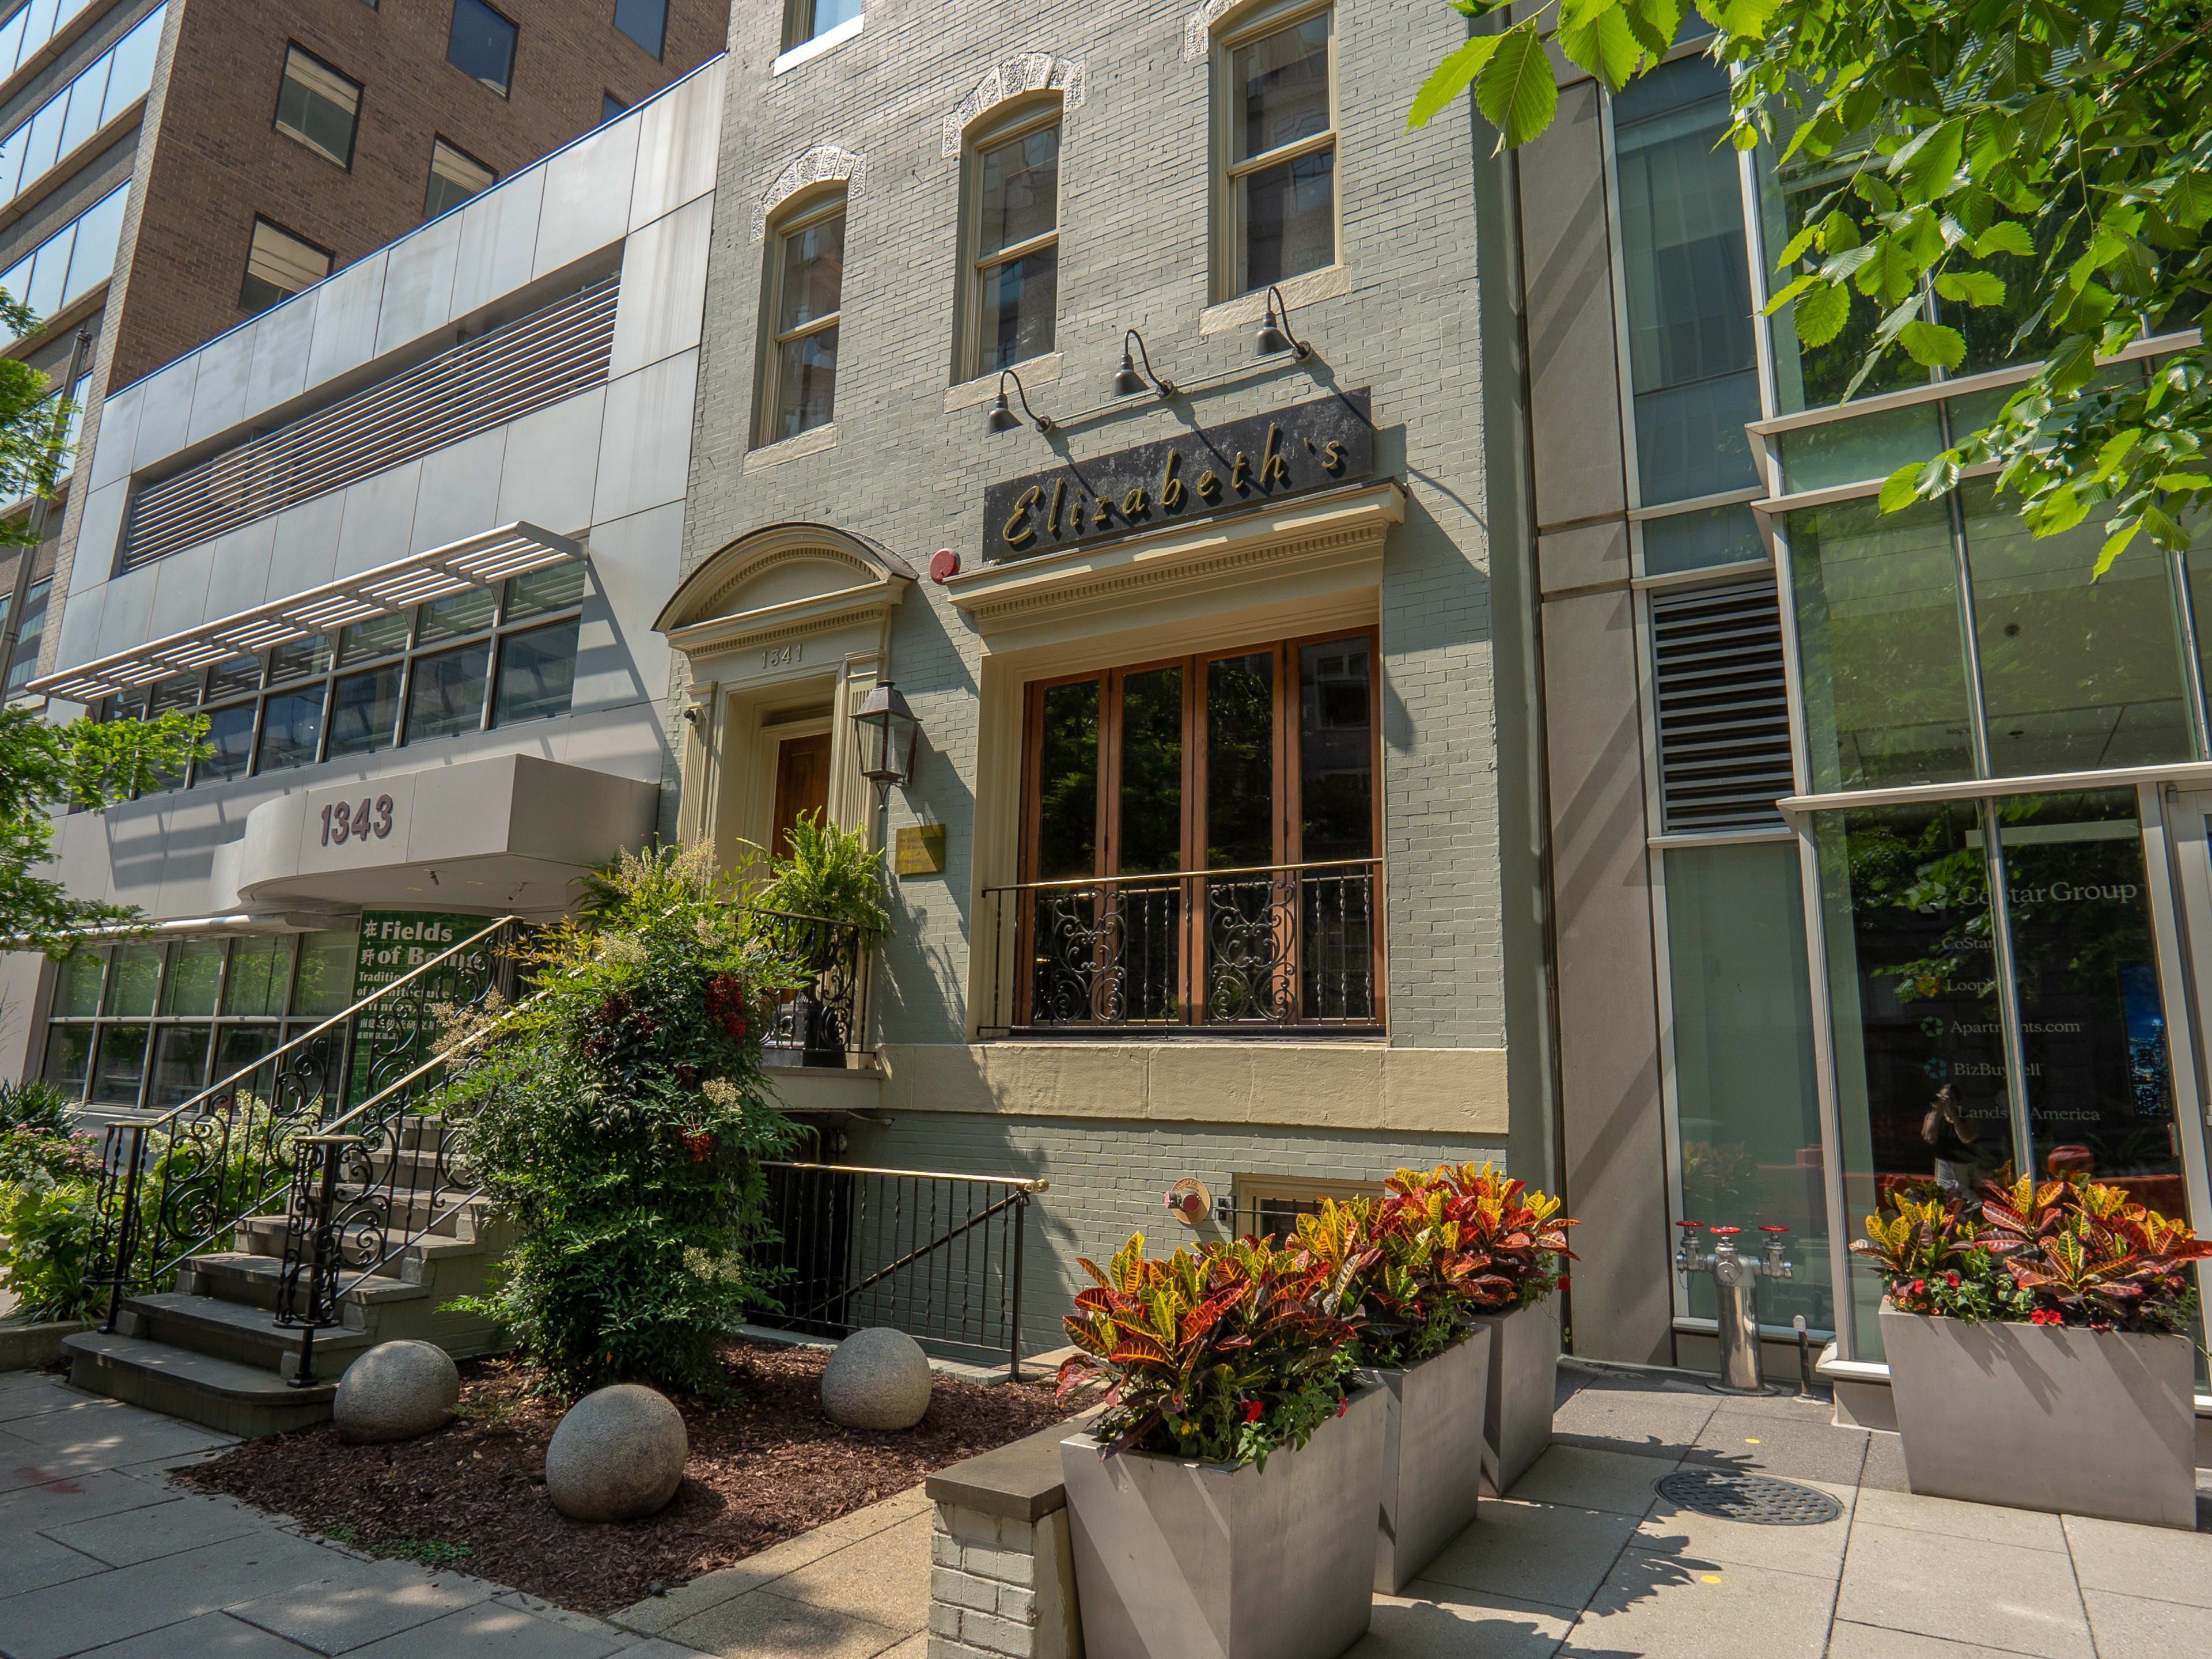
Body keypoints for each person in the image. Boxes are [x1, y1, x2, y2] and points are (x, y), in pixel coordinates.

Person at [1923, 1085, 1981, 1194]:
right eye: (1943, 1099)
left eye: (1951, 1099)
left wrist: (1954, 1115)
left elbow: (1966, 1139)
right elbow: (1930, 1138)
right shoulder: (1932, 1117)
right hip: (1943, 1165)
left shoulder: (1968, 1118)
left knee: (1968, 1199)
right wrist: (1938, 1113)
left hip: (1964, 1167)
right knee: (1947, 1198)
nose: (1946, 1103)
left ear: (1958, 1101)